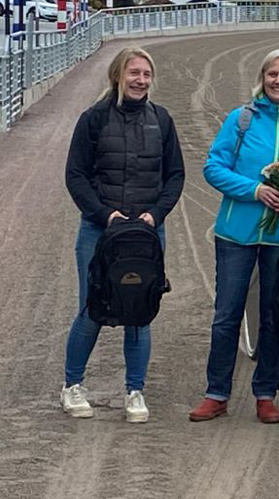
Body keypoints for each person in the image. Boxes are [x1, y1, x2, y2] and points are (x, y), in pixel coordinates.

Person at [188, 49, 279, 425]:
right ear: (262, 78)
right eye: (272, 74)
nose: (278, 81)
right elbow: (213, 168)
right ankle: (217, 392)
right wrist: (255, 191)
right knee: (227, 314)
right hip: (236, 234)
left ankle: (265, 393)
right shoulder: (240, 120)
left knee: (274, 316)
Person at [61, 46, 185, 423]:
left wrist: (156, 214)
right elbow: (76, 175)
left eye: (146, 74)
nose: (140, 80)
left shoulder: (161, 120)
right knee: (92, 309)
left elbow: (175, 175)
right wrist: (103, 214)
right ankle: (72, 385)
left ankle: (135, 391)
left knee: (139, 310)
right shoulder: (93, 119)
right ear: (118, 75)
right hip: (99, 232)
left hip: (146, 233)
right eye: (134, 73)